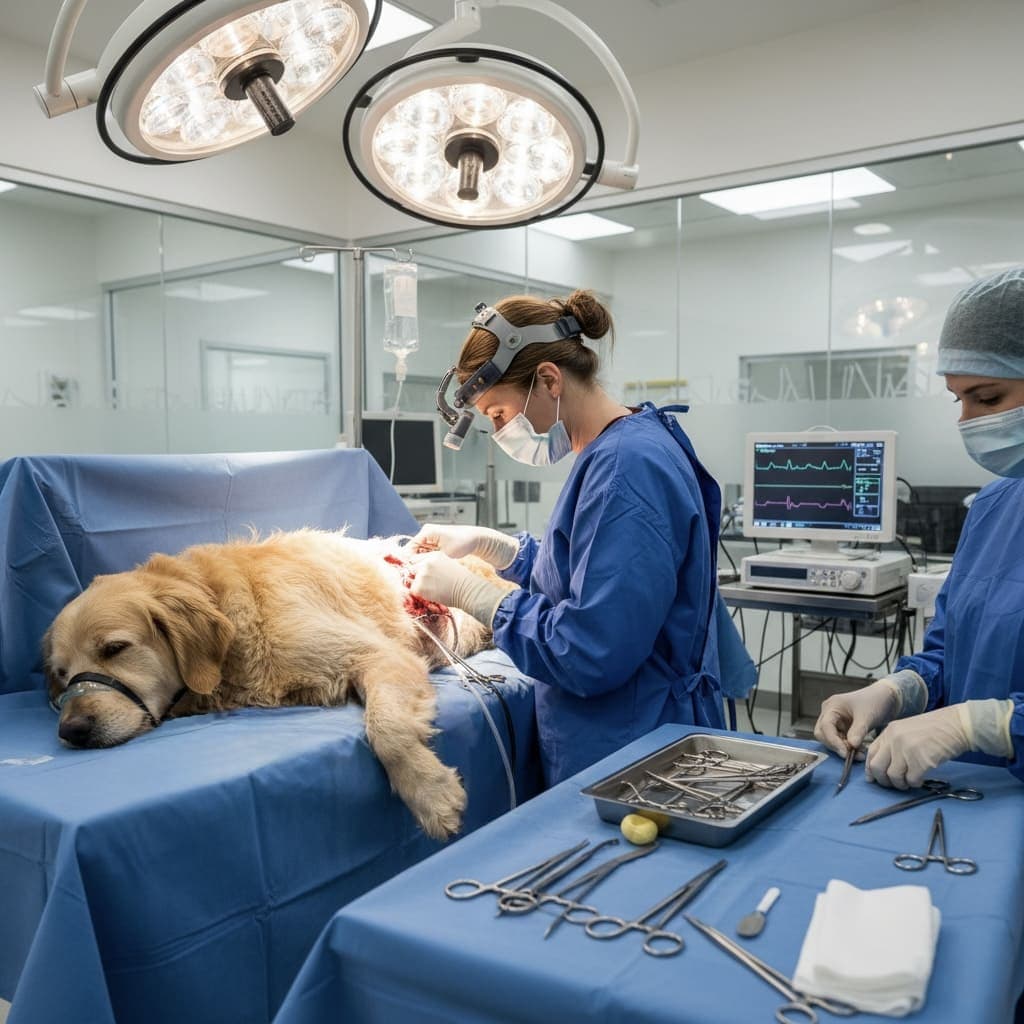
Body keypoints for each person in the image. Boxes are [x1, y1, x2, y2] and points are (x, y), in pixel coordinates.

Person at [407, 290, 745, 786]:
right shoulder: (626, 442)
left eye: (499, 414)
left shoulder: (627, 467)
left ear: (548, 379)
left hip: (634, 752)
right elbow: (600, 571)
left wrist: (476, 595)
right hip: (632, 736)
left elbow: (590, 649)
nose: (500, 432)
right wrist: (502, 550)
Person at [815, 266, 1024, 789]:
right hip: (974, 795)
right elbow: (947, 655)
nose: (968, 421)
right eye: (960, 400)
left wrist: (975, 723)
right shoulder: (996, 506)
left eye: (989, 398)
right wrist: (891, 692)